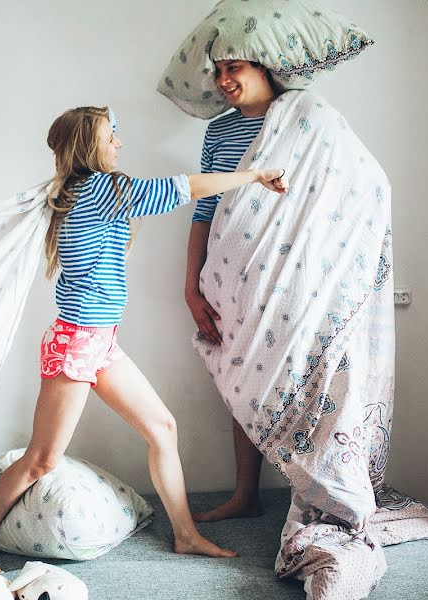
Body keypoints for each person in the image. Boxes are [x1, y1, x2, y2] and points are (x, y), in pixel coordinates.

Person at [0, 105, 288, 572]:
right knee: (42, 459)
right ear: (88, 145)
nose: (118, 143)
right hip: (77, 343)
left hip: (99, 342)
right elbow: (183, 188)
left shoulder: (82, 191)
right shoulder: (100, 188)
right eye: (110, 135)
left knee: (163, 428)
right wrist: (255, 174)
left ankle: (185, 535)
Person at [184, 59, 279, 522]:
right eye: (217, 70)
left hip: (290, 273)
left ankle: (316, 496)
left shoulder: (301, 120)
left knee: (302, 378)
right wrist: (191, 286)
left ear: (264, 66)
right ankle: (246, 495)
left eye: (234, 67)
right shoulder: (219, 131)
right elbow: (203, 211)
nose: (223, 80)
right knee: (241, 379)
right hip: (231, 274)